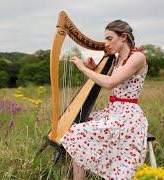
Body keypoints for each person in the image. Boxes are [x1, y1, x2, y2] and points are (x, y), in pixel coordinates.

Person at [61, 20, 148, 179]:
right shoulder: (116, 60)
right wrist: (94, 68)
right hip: (113, 111)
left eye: (110, 38)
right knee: (77, 123)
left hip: (128, 117)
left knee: (76, 132)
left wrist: (83, 68)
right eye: (105, 39)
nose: (106, 43)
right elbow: (110, 77)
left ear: (123, 37)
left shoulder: (137, 57)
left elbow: (110, 83)